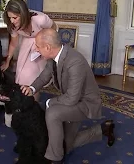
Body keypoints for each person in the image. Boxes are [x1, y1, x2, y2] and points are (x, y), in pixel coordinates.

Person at [21, 29, 115, 164]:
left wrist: (50, 102)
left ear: (48, 47)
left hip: (85, 103)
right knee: (65, 146)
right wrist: (31, 88)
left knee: (53, 113)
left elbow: (72, 98)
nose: (36, 49)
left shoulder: (75, 61)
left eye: (37, 46)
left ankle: (55, 158)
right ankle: (103, 129)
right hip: (72, 99)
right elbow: (44, 77)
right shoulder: (54, 56)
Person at [1, 0, 57, 101]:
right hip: (27, 45)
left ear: (23, 14)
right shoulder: (12, 24)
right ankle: (23, 102)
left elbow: (53, 28)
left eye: (15, 17)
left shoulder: (40, 19)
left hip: (42, 43)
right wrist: (8, 61)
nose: (12, 21)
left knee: (32, 76)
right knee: (21, 74)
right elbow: (13, 43)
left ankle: (33, 104)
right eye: (10, 18)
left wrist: (45, 43)